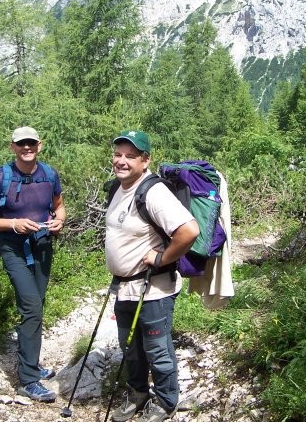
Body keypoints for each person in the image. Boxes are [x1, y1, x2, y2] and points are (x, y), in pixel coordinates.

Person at [105, 130, 200, 422]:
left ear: (145, 161)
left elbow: (189, 231)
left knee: (157, 350)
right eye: (118, 154)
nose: (122, 161)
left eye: (130, 156)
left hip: (153, 289)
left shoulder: (153, 191)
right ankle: (138, 397)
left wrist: (161, 258)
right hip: (124, 289)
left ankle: (167, 402)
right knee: (130, 347)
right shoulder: (115, 189)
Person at [0, 126, 66, 403]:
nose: (26, 148)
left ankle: (31, 361)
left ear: (39, 145)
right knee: (31, 307)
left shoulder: (49, 174)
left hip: (41, 245)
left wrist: (59, 221)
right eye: (20, 144)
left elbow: (59, 206)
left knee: (36, 305)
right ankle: (28, 380)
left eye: (31, 143)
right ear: (13, 147)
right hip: (12, 247)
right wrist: (14, 224)